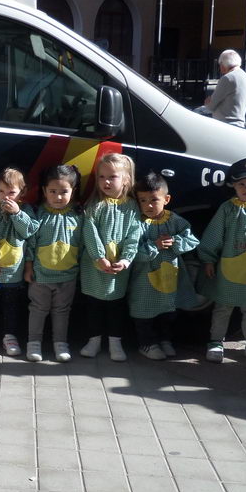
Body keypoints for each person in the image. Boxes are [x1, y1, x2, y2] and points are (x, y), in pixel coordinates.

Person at [198, 157, 246, 364]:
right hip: (227, 271)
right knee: (222, 307)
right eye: (241, 184)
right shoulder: (227, 209)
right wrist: (208, 259)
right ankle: (216, 341)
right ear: (233, 185)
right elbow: (214, 235)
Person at [129, 172, 199, 360]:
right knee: (144, 311)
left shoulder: (175, 220)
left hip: (169, 276)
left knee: (168, 311)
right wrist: (154, 246)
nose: (148, 205)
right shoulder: (137, 223)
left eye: (154, 200)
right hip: (144, 278)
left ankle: (165, 340)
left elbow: (191, 240)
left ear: (166, 199)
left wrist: (175, 241)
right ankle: (147, 343)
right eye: (143, 201)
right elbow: (132, 251)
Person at [79, 153, 142, 361]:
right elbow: (90, 232)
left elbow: (134, 234)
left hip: (119, 269)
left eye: (112, 177)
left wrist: (125, 259)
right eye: (101, 177)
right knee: (94, 306)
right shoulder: (95, 205)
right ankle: (94, 341)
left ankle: (116, 343)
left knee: (116, 307)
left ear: (125, 179)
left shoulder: (132, 207)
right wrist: (98, 257)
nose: (105, 182)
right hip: (94, 267)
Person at [0, 167, 37, 357]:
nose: (5, 196)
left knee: (11, 307)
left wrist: (17, 213)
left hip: (15, 273)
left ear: (22, 192)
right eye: (1, 191)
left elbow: (29, 232)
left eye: (11, 192)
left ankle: (9, 336)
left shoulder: (26, 210)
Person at [24, 164, 82, 363]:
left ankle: (60, 343)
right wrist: (29, 267)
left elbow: (82, 245)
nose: (58, 197)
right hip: (41, 275)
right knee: (38, 309)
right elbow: (31, 243)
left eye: (64, 192)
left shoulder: (78, 216)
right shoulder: (38, 214)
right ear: (44, 191)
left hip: (68, 276)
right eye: (53, 191)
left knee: (62, 310)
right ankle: (33, 343)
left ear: (73, 191)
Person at [206, 49, 246, 127]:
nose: (220, 68)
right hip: (240, 124)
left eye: (220, 64)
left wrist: (207, 102)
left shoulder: (227, 78)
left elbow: (210, 106)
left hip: (225, 125)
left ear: (223, 64)